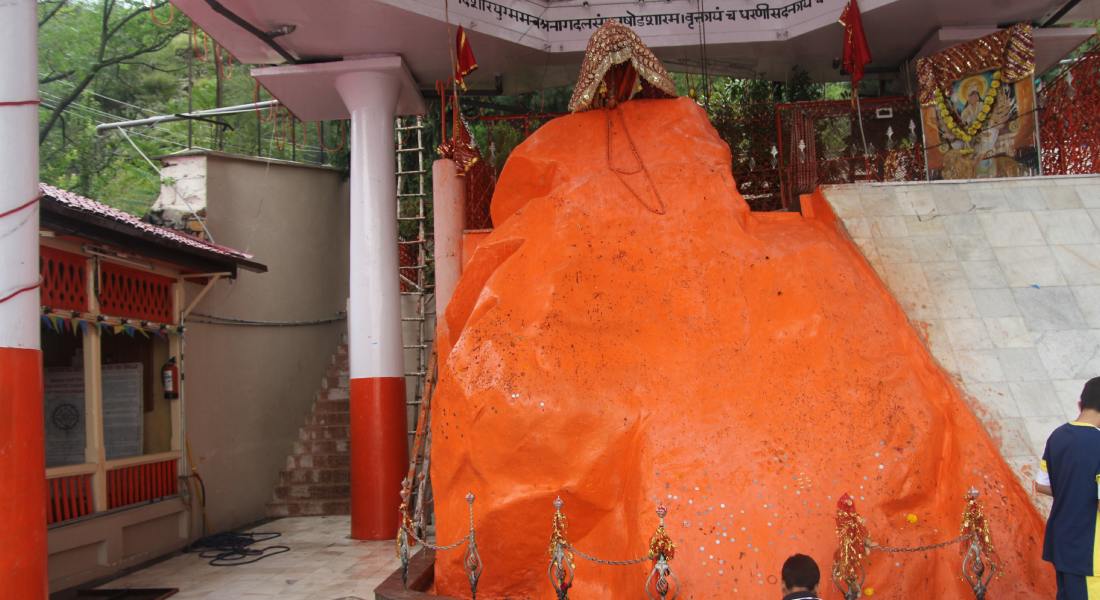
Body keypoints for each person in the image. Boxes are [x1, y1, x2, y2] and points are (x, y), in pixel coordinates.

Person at [1036, 376, 1100, 599]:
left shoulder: (1058, 436)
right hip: (1090, 553)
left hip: (1061, 544)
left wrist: (1075, 490)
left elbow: (1042, 485)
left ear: (1080, 404)